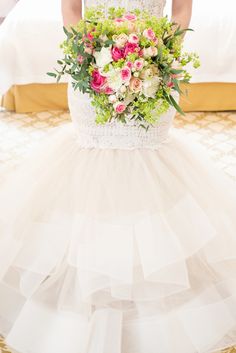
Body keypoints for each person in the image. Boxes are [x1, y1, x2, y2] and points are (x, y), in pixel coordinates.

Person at [0, 1, 236, 353]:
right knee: (91, 166)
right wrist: (91, 57)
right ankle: (88, 290)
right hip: (90, 71)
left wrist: (158, 57)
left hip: (154, 74)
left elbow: (182, 10)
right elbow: (71, 9)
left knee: (149, 165)